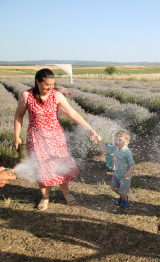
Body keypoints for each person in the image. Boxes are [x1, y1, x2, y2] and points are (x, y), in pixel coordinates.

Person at [14, 68, 101, 211]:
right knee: (40, 167)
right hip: (36, 139)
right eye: (47, 85)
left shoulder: (57, 96)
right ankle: (45, 197)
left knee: (61, 164)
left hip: (56, 138)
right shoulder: (26, 95)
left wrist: (90, 129)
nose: (50, 87)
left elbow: (72, 113)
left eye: (52, 84)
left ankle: (66, 193)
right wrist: (16, 137)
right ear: (37, 82)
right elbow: (19, 116)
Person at [98, 130, 135, 208]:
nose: (116, 142)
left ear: (127, 142)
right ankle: (123, 196)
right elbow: (105, 150)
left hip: (125, 177)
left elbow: (132, 164)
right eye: (116, 139)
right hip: (116, 174)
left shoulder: (127, 152)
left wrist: (128, 173)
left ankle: (125, 199)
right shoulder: (115, 148)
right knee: (113, 188)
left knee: (123, 191)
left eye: (120, 140)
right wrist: (100, 141)